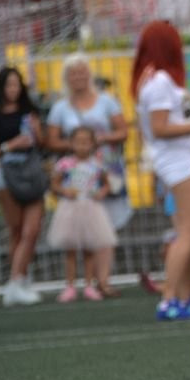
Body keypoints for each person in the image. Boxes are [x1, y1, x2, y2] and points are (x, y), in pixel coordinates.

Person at [131, 20, 190, 320]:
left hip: (184, 160)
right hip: (178, 162)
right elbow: (160, 128)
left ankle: (184, 298)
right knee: (188, 231)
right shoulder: (159, 81)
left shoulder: (156, 80)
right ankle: (170, 298)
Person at [45, 53, 131, 297]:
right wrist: (78, 146)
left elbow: (123, 131)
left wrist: (100, 139)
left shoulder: (107, 101)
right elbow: (51, 140)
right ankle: (82, 283)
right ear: (66, 78)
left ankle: (102, 280)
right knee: (81, 234)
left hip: (104, 168)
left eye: (82, 72)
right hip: (76, 177)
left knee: (106, 226)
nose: (78, 77)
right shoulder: (60, 107)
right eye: (73, 73)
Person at [46, 126, 118, 302]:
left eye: (86, 142)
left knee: (89, 249)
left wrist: (101, 193)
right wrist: (64, 191)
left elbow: (107, 184)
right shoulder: (65, 164)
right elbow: (54, 184)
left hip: (90, 208)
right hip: (70, 209)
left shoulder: (97, 164)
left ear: (92, 144)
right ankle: (70, 286)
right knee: (70, 251)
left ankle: (88, 285)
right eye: (78, 142)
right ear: (71, 144)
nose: (82, 146)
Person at [0, 66, 45, 306]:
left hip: (31, 171)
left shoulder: (29, 111)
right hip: (6, 174)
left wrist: (36, 131)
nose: (13, 89)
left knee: (31, 230)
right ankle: (17, 280)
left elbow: (41, 143)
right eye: (8, 85)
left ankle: (18, 279)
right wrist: (11, 145)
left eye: (16, 84)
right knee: (16, 229)